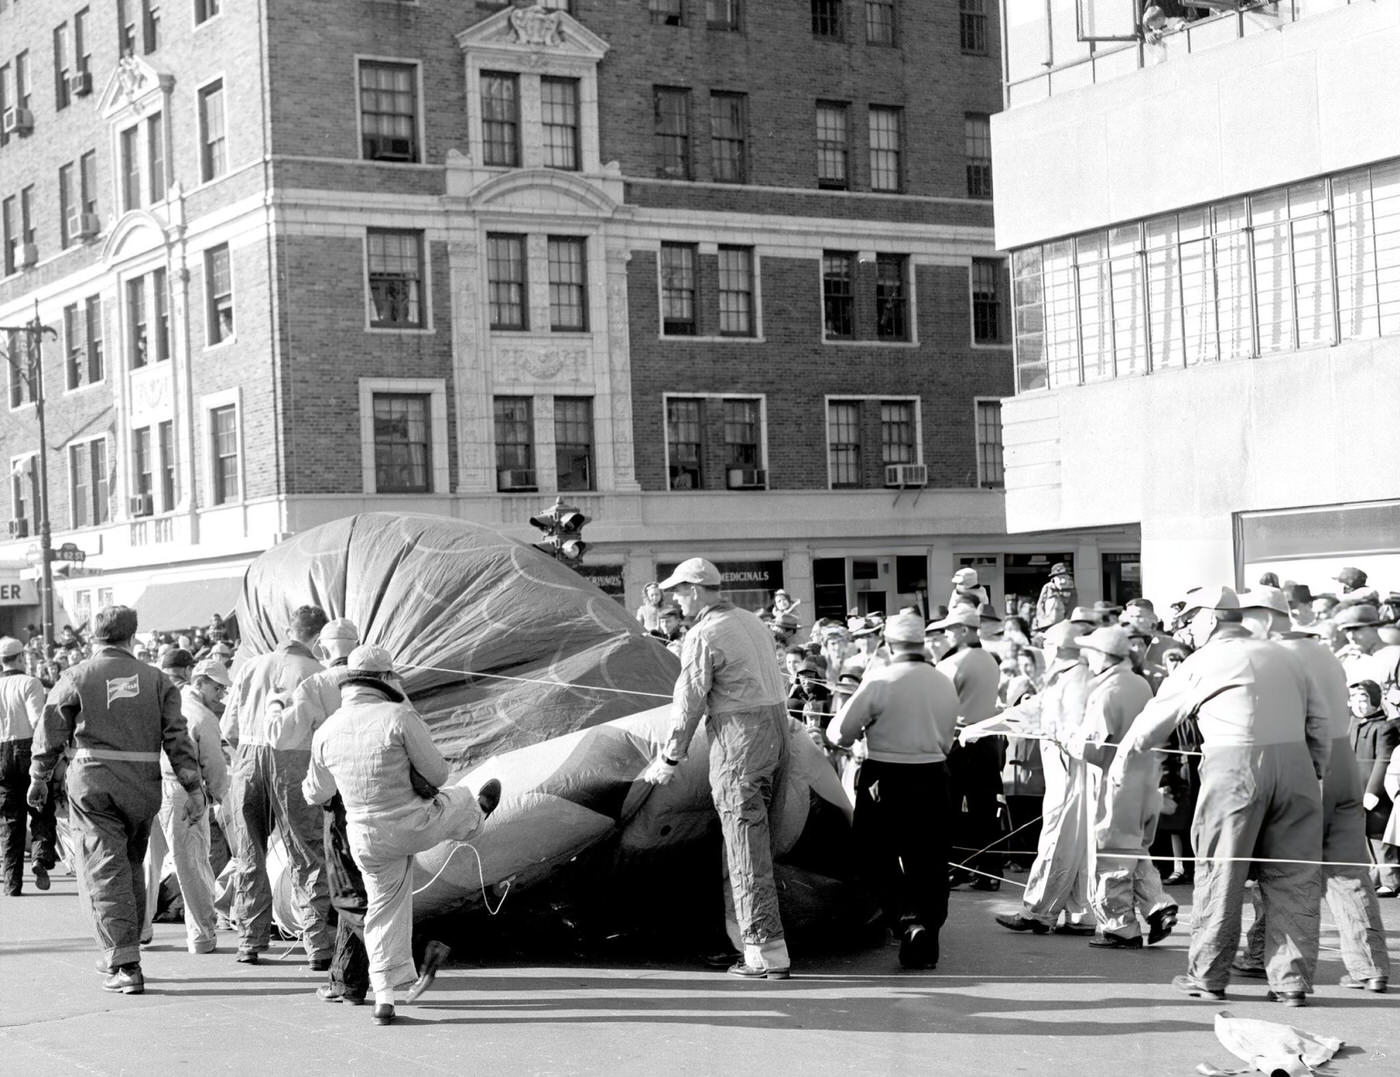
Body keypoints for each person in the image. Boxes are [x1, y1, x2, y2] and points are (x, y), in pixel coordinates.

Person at [1110, 586, 1327, 1006]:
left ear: (1209, 620)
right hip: (1298, 768)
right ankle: (1292, 983)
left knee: (1221, 873)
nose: (1187, 629)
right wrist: (1316, 770)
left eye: (1191, 620)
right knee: (1294, 879)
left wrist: (1123, 762)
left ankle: (1208, 976)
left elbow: (1153, 723)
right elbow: (1318, 722)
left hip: (1234, 766)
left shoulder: (1203, 660)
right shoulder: (1285, 655)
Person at [302, 645, 499, 1025]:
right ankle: (477, 820)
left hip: (365, 836)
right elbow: (438, 775)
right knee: (459, 797)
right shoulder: (398, 715)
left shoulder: (327, 729)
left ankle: (384, 998)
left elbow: (316, 792)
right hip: (412, 823)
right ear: (386, 680)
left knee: (382, 911)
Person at [27, 606, 206, 994]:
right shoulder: (158, 681)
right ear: (133, 635)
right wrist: (193, 790)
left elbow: (50, 733)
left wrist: (39, 777)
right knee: (128, 865)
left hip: (94, 784)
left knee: (103, 869)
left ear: (95, 635)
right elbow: (179, 740)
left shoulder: (76, 676)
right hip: (143, 787)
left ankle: (124, 962)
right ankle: (123, 945)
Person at [1231, 589, 1390, 994]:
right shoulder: (1323, 653)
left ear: (1264, 617)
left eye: (1245, 616)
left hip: (1304, 764)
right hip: (1344, 767)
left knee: (1284, 871)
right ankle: (1369, 966)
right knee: (1348, 871)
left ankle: (1259, 957)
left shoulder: (1273, 656)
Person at [640, 556, 792, 979]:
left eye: (677, 592)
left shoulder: (704, 634)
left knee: (744, 845)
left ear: (693, 590)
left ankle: (763, 952)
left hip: (740, 740)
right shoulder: (751, 620)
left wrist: (670, 758)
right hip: (775, 734)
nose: (674, 599)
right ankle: (756, 942)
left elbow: (687, 702)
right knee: (756, 842)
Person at [823, 612, 960, 969]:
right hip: (934, 774)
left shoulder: (881, 679)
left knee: (872, 854)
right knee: (929, 860)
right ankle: (926, 936)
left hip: (886, 776)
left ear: (888, 643)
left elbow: (838, 733)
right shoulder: (943, 681)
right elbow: (948, 739)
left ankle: (905, 916)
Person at [221, 604, 334, 967]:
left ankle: (250, 941)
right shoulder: (317, 671)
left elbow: (228, 728)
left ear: (289, 629)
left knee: (249, 852)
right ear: (319, 637)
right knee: (307, 851)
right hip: (294, 756)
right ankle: (318, 944)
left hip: (250, 754)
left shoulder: (252, 665)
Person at [1066, 626, 1174, 949]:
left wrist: (1067, 740)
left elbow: (1093, 748)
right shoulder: (1141, 683)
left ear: (1101, 657)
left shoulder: (1106, 691)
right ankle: (1158, 905)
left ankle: (1120, 926)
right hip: (1146, 781)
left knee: (1111, 856)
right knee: (1135, 850)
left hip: (1115, 783)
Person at [282, 617, 371, 1004]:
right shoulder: (386, 682)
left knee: (348, 890)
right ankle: (356, 974)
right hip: (384, 794)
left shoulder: (315, 684)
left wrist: (273, 708)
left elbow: (286, 736)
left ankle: (351, 979)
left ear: (322, 648)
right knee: (376, 888)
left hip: (340, 799)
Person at [996, 621, 1096, 935]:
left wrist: (984, 726)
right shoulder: (1070, 676)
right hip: (1069, 772)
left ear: (1057, 647)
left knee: (1056, 842)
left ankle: (1037, 911)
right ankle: (1081, 915)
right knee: (1075, 847)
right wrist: (983, 727)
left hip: (1069, 772)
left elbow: (1040, 716)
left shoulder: (1073, 679)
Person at [143, 658, 231, 952]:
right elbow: (214, 764)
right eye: (217, 687)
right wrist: (219, 796)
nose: (220, 694)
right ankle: (202, 935)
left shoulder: (161, 702)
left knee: (148, 862)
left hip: (149, 784)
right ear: (200, 681)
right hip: (182, 789)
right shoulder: (201, 716)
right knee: (191, 861)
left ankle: (139, 930)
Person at [929, 606, 1004, 890]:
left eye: (949, 629)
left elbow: (938, 705)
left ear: (963, 630)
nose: (945, 634)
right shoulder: (990, 660)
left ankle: (956, 868)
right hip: (986, 741)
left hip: (958, 741)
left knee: (948, 809)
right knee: (984, 809)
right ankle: (989, 870)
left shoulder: (953, 664)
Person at [1, 635, 56, 895]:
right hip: (26, 748)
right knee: (40, 807)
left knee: (9, 819)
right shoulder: (29, 682)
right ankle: (39, 856)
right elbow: (37, 721)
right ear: (21, 657)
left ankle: (11, 882)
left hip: (0, 752)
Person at [1346, 679, 1399, 895]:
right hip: (1356, 789)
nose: (1359, 705)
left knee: (1379, 835)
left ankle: (1391, 879)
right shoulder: (1354, 724)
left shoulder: (1384, 726)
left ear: (1375, 701)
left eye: (1364, 700)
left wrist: (1372, 791)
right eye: (1355, 700)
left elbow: (1383, 759)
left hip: (1375, 794)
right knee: (1364, 834)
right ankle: (1374, 877)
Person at [1033, 562, 1076, 634]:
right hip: (1049, 625)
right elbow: (1041, 605)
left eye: (1066, 577)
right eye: (1060, 577)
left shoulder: (1072, 591)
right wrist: (1041, 621)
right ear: (1053, 579)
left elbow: (1073, 605)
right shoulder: (1049, 588)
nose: (1063, 581)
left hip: (1065, 626)